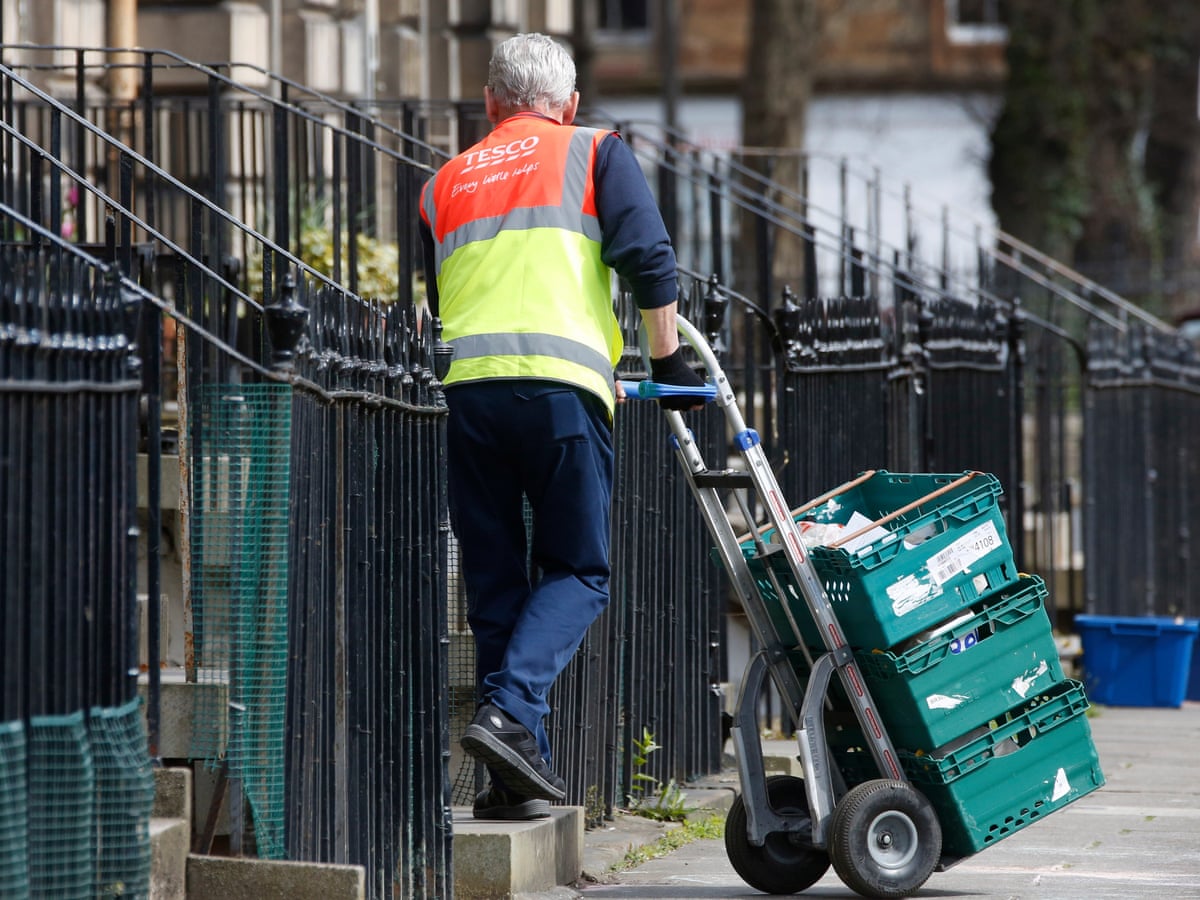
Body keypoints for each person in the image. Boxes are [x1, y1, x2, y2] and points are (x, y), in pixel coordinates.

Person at [419, 32, 708, 821]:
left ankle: (508, 776)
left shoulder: (442, 183)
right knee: (579, 571)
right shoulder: (594, 151)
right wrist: (670, 362)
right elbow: (648, 257)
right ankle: (510, 714)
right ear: (570, 104)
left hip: (470, 393)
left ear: (489, 104)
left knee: (494, 582)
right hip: (560, 391)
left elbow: (443, 302)